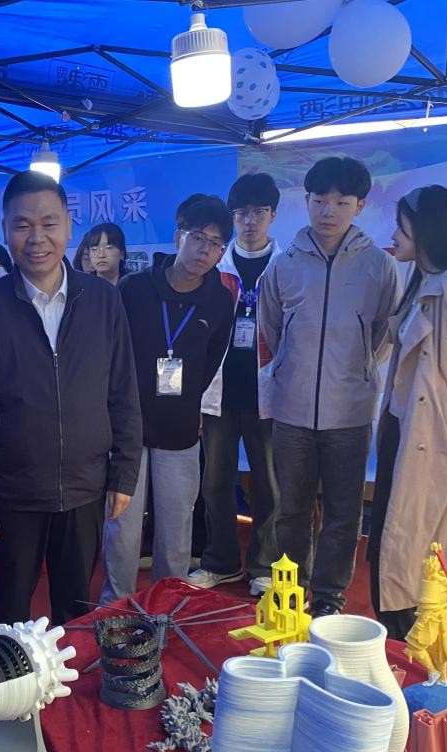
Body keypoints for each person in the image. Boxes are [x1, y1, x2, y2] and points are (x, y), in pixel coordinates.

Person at [0, 171, 142, 627]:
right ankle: (10, 675)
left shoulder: (103, 300)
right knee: (11, 615)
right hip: (13, 492)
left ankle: (69, 676)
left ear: (69, 226)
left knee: (75, 612)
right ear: (5, 229)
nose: (37, 238)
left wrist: (124, 472)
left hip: (84, 486)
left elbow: (123, 390)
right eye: (23, 225)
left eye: (49, 223)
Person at [258, 156, 401, 617]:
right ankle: (289, 591)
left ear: (360, 206)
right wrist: (293, 369)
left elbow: (383, 334)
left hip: (350, 412)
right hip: (292, 410)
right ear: (307, 201)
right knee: (292, 509)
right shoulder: (283, 264)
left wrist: (355, 370)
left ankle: (328, 599)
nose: (328, 211)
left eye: (341, 202)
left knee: (343, 513)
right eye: (320, 200)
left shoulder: (379, 266)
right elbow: (272, 328)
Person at [367, 185, 447, 640]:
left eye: (401, 228)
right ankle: (401, 639)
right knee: (393, 536)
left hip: (430, 434)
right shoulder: (423, 281)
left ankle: (413, 645)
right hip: (403, 428)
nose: (393, 236)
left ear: (426, 230)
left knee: (412, 540)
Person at [101, 194, 235, 601]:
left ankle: (168, 604)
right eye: (198, 238)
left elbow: (212, 359)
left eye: (215, 243)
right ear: (178, 237)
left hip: (180, 428)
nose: (205, 250)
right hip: (129, 426)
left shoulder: (220, 300)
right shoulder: (134, 288)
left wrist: (189, 399)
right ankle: (116, 605)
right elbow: (112, 352)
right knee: (122, 524)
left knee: (177, 525)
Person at [190, 172, 282, 596]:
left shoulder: (285, 266)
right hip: (219, 393)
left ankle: (264, 565)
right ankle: (221, 561)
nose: (249, 221)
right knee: (215, 482)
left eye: (258, 212)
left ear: (273, 215)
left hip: (268, 395)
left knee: (268, 485)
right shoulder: (215, 267)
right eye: (242, 212)